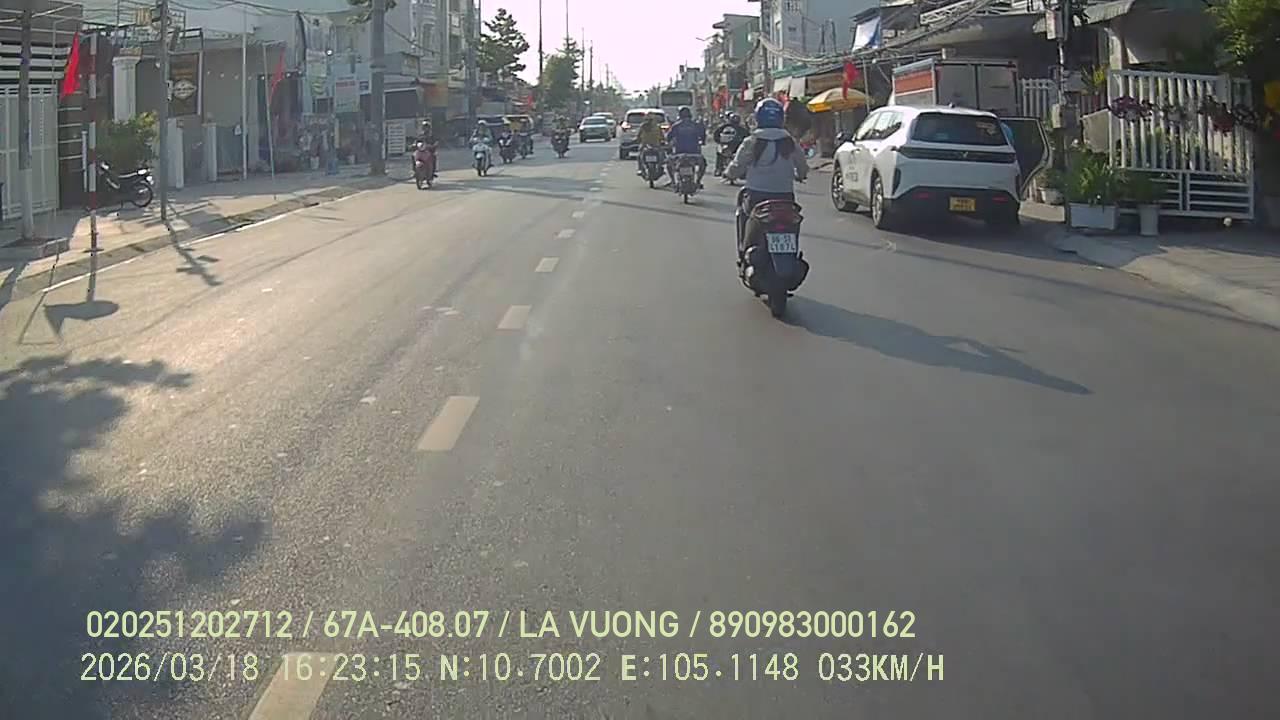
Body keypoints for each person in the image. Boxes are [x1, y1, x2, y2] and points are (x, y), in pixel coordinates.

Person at [725, 98, 809, 258]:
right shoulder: (790, 141)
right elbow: (802, 166)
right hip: (785, 197)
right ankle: (792, 253)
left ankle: (744, 248)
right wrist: (801, 175)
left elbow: (737, 165)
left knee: (743, 210)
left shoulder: (752, 141)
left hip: (757, 196)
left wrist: (729, 174)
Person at [665, 105, 707, 188]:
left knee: (669, 164)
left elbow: (668, 137)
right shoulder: (695, 125)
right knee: (703, 164)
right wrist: (702, 141)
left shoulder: (676, 126)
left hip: (679, 153)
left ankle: (673, 181)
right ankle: (698, 181)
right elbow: (703, 135)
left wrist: (668, 145)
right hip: (694, 153)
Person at [712, 112, 748, 177]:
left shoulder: (742, 129)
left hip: (737, 147)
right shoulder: (724, 127)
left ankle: (743, 171)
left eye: (736, 120)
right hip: (725, 145)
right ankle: (718, 168)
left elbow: (747, 136)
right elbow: (716, 134)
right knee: (719, 153)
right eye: (734, 119)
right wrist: (719, 141)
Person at [635, 114, 666, 179]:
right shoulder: (643, 127)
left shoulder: (656, 127)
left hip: (654, 146)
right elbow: (638, 136)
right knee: (639, 156)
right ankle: (641, 169)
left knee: (662, 155)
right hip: (647, 145)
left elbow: (662, 137)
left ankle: (659, 168)